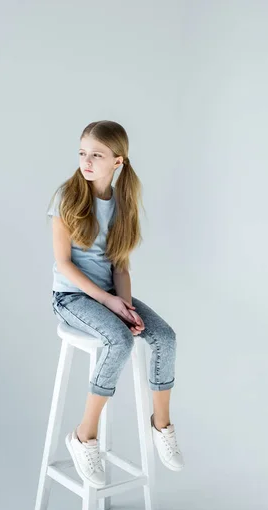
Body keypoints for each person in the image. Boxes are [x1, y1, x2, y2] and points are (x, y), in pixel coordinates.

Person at [46, 120, 184, 486]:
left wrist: (126, 307)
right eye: (82, 153)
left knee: (165, 337)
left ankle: (162, 425)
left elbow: (120, 266)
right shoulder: (67, 197)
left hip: (109, 295)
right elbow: (64, 265)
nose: (86, 161)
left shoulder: (123, 205)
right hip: (72, 297)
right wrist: (110, 303)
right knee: (119, 341)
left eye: (96, 155)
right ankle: (83, 435)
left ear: (118, 162)